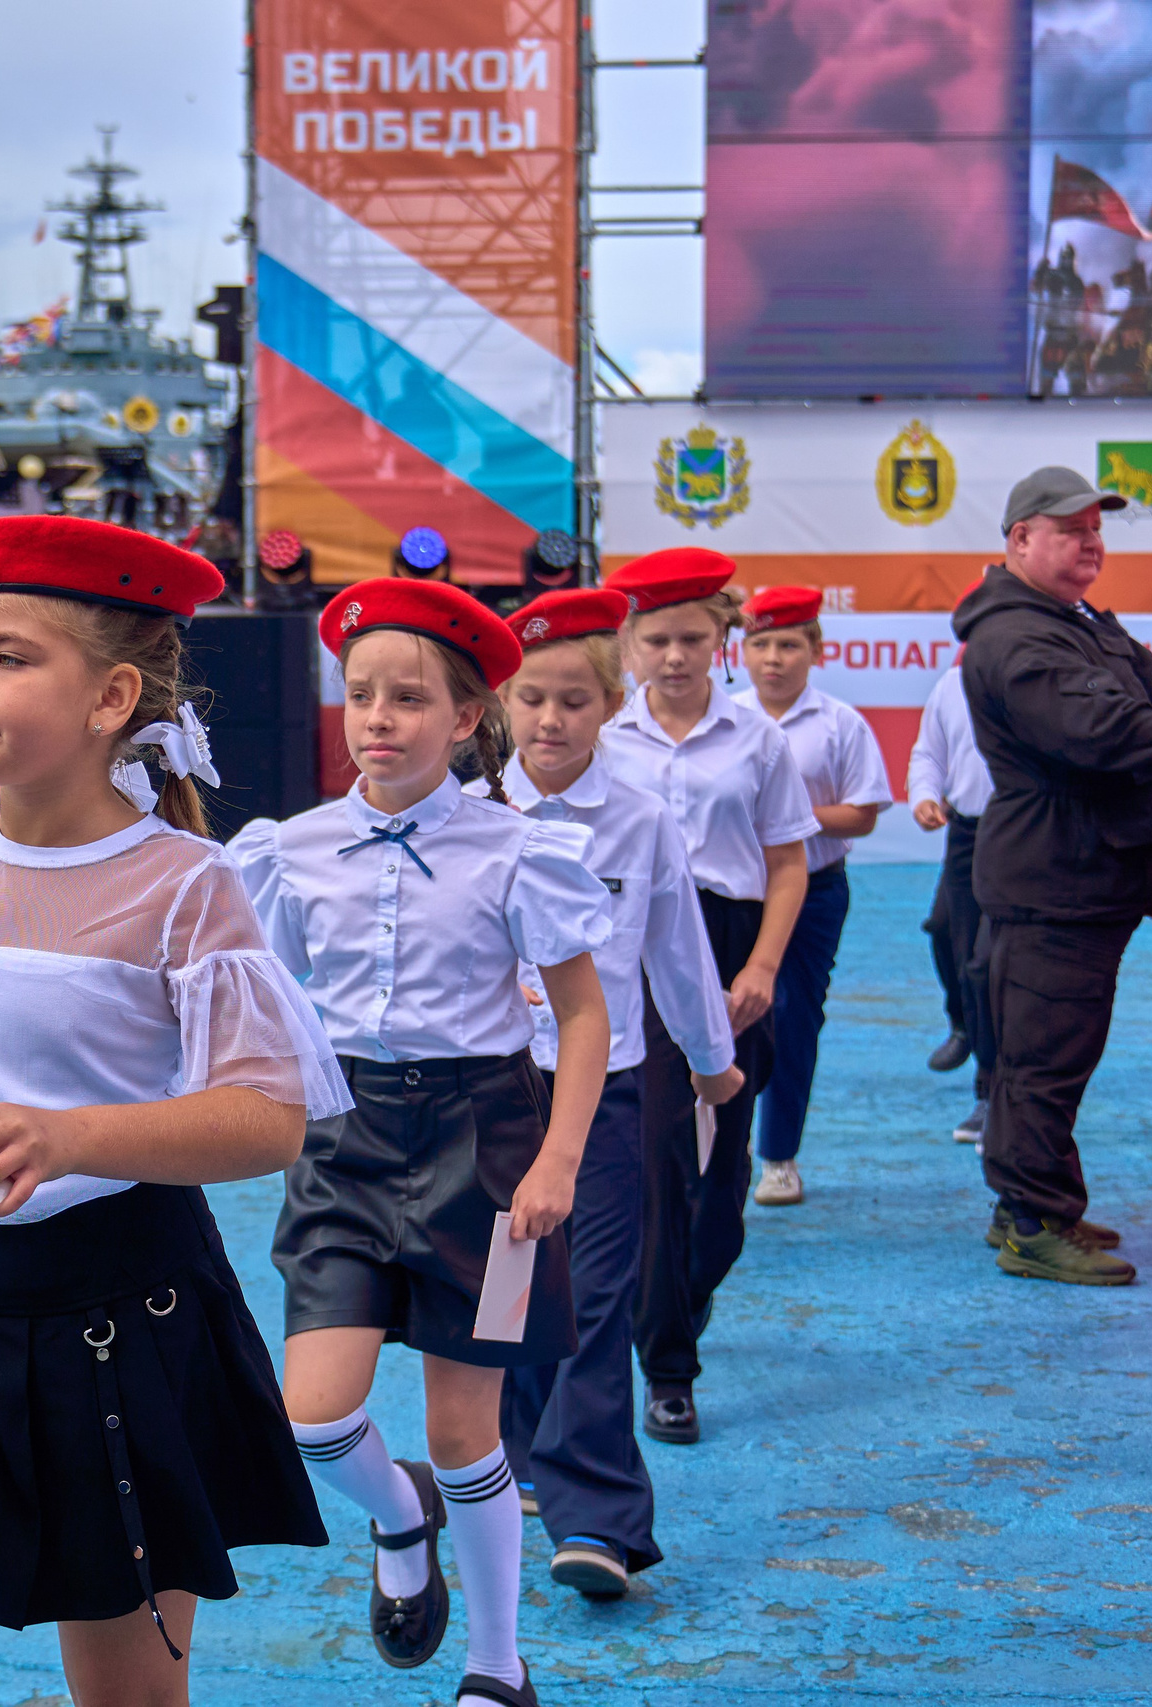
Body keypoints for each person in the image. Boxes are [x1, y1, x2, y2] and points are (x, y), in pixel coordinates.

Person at [0, 516, 345, 1707]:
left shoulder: (187, 886)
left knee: (129, 1700)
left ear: (111, 700)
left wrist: (66, 1135)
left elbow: (266, 1117)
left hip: (126, 1315)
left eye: (9, 657)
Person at [232, 577, 614, 1707]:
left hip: (486, 1150)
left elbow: (583, 1016)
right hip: (343, 1140)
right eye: (360, 696)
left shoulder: (518, 849)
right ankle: (401, 1519)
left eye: (408, 699)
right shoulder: (290, 851)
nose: (377, 719)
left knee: (466, 1427)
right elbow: (268, 998)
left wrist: (557, 1161)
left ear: (464, 721)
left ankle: (497, 1668)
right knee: (312, 1414)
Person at [483, 588, 742, 1603]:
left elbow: (675, 951)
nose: (550, 723)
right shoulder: (471, 818)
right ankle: (513, 1451)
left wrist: (710, 1060)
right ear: (502, 705)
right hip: (495, 1092)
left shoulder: (638, 820)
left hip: (611, 1091)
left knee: (596, 1296)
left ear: (609, 705)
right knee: (504, 1293)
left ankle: (595, 1515)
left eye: (573, 704)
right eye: (532, 702)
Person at [599, 548, 817, 1446]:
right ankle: (669, 1367)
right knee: (654, 1162)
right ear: (631, 644)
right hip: (634, 956)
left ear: (724, 637)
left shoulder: (758, 739)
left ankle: (679, 1300)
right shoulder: (604, 738)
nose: (677, 656)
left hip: (732, 950)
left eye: (693, 637)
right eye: (658, 639)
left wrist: (762, 968)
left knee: (721, 1186)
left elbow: (787, 861)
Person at [956, 466, 1152, 1286]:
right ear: (1019, 540)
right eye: (1070, 528)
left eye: (1097, 529)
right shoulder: (1020, 635)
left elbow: (1135, 716)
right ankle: (1038, 1219)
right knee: (1044, 1057)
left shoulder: (1058, 620)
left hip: (1073, 874)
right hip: (1057, 878)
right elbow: (1105, 733)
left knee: (1040, 1054)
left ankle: (1026, 1204)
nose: (1091, 542)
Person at [731, 586, 892, 1206]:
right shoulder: (728, 720)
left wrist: (785, 816)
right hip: (736, 892)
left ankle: (778, 1156)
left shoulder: (840, 724)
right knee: (721, 1013)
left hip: (815, 890)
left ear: (816, 650)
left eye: (789, 644)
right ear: (742, 653)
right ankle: (721, 1144)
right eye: (761, 644)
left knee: (794, 1018)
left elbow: (862, 815)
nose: (773, 658)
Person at [907, 651, 997, 1144]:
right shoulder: (953, 682)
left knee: (985, 964)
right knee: (945, 933)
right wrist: (924, 792)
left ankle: (990, 1093)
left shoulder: (1040, 672)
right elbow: (929, 752)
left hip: (1024, 832)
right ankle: (962, 1022)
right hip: (965, 831)